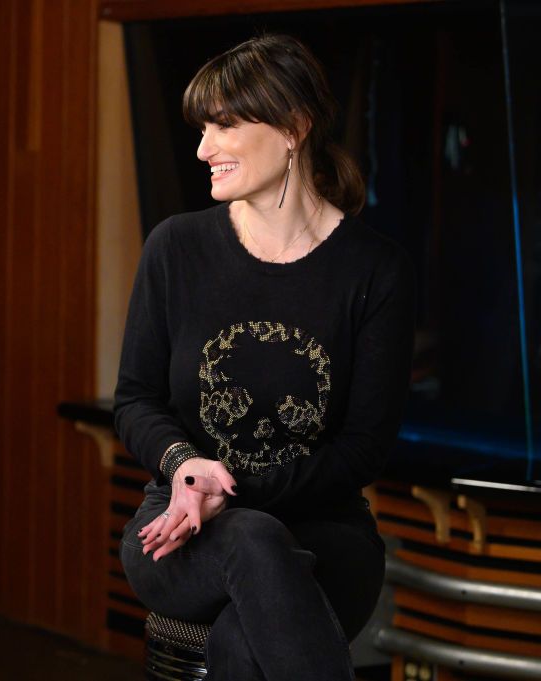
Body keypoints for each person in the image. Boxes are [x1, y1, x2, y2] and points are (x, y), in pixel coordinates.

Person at [116, 34, 415, 680]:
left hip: (326, 537)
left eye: (223, 125)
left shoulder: (375, 272)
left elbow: (364, 447)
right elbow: (135, 399)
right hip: (180, 530)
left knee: (246, 642)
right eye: (201, 129)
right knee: (250, 538)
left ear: (293, 127)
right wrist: (185, 467)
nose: (203, 149)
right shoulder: (176, 249)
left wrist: (237, 490)